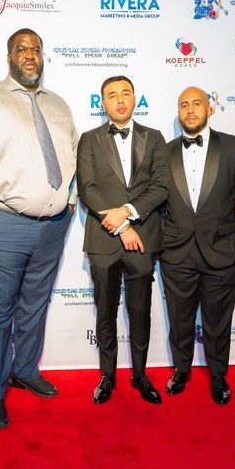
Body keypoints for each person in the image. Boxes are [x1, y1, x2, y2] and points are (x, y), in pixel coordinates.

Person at [0, 28, 77, 429]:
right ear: (9, 57)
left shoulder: (58, 105)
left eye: (36, 49)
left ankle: (25, 370)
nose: (30, 55)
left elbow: (72, 157)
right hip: (1, 224)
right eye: (21, 49)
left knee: (35, 305)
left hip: (53, 227)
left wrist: (70, 202)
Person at [159, 86, 235, 405]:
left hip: (223, 250)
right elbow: (156, 203)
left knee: (217, 321)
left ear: (209, 109)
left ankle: (218, 376)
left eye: (196, 104)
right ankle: (182, 370)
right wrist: (163, 241)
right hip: (177, 253)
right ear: (178, 112)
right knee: (180, 318)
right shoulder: (164, 152)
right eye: (183, 105)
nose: (190, 110)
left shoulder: (234, 147)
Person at [77, 76, 169, 405]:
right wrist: (120, 227)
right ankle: (107, 374)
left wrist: (127, 214)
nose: (119, 99)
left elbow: (160, 186)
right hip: (103, 238)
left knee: (140, 311)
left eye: (125, 93)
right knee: (105, 311)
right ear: (102, 103)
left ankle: (140, 374)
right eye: (112, 95)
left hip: (143, 237)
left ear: (134, 99)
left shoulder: (154, 138)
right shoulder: (89, 139)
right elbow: (87, 189)